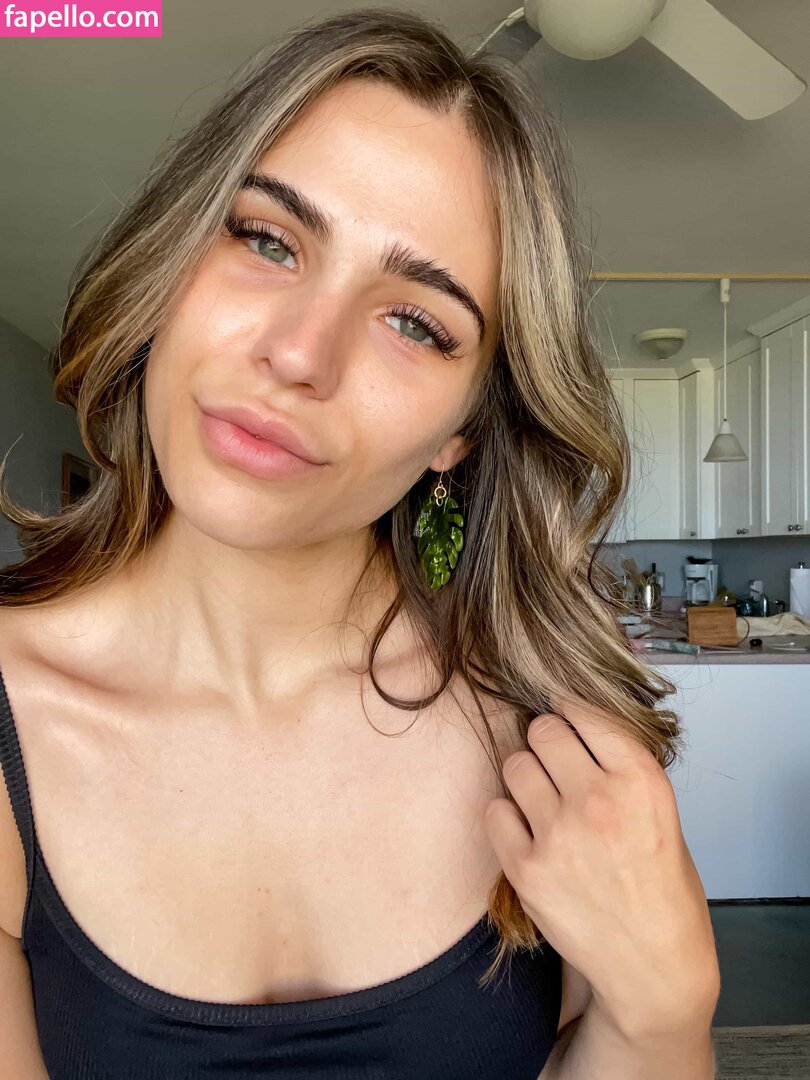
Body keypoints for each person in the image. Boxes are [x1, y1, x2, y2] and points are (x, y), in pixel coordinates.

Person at [0, 7, 688, 1077]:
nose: (299, 355)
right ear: (174, 263)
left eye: (416, 322)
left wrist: (663, 1015)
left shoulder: (555, 736)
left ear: (463, 429)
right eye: (267, 240)